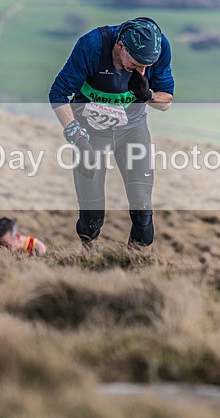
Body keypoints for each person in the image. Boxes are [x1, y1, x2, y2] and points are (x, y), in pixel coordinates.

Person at [48, 17, 174, 253]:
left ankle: (137, 269)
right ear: (120, 46)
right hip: (91, 134)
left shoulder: (160, 46)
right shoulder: (92, 45)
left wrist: (148, 96)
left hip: (132, 131)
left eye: (148, 65)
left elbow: (166, 101)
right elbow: (58, 94)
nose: (142, 71)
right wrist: (77, 136)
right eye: (136, 63)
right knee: (92, 216)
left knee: (143, 207)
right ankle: (89, 257)